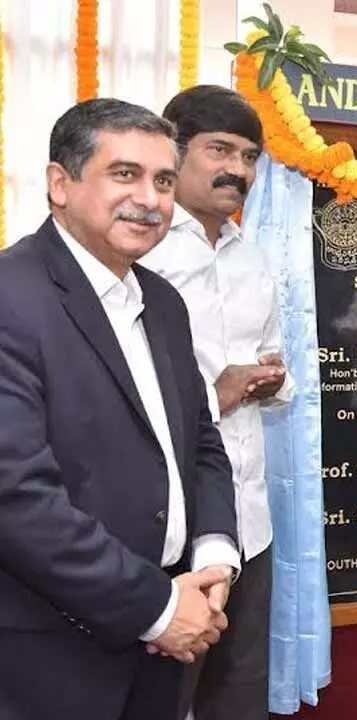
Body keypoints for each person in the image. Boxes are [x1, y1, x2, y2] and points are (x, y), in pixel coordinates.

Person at [0, 98, 239, 719]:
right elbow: (17, 498)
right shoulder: (11, 298)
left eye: (163, 180)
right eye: (124, 174)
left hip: (171, 635)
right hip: (50, 653)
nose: (152, 199)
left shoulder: (162, 302)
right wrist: (155, 609)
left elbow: (201, 442)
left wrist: (213, 559)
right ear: (60, 184)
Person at [138, 85, 291, 720]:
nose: (238, 169)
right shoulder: (140, 251)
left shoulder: (253, 259)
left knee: (238, 691)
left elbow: (278, 366)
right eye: (219, 149)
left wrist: (270, 382)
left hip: (249, 522)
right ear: (173, 152)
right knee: (162, 695)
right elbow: (117, 391)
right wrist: (217, 393)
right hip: (167, 525)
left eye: (250, 156)